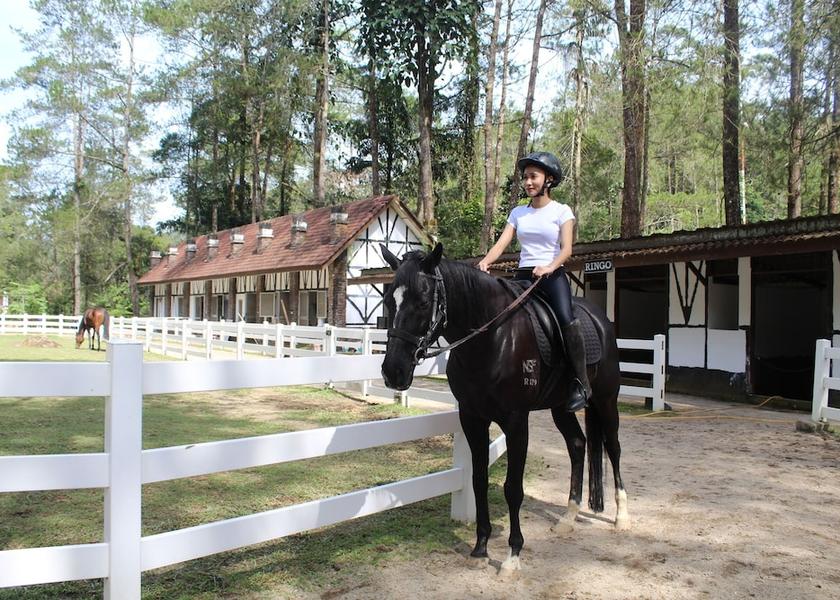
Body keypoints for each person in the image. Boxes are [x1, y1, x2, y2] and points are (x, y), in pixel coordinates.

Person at [477, 151, 590, 411]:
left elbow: (567, 249)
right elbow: (501, 244)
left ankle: (581, 383)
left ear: (548, 179)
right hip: (523, 277)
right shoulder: (518, 213)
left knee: (565, 318)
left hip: (551, 276)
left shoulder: (562, 211)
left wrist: (550, 266)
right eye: (526, 177)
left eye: (533, 177)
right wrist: (486, 262)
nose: (528, 182)